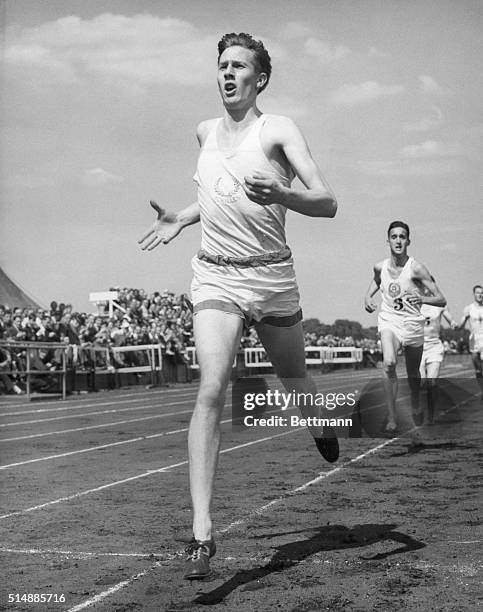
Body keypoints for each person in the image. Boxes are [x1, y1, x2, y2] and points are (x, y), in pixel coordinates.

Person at [139, 32, 338, 579]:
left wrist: (285, 194)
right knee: (212, 386)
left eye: (238, 67)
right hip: (215, 278)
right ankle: (202, 533)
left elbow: (327, 201)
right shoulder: (204, 131)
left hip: (271, 276)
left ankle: (319, 420)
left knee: (295, 379)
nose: (227, 74)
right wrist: (182, 216)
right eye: (221, 65)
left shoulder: (279, 130)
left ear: (260, 79)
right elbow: (218, 193)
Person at [364, 221, 446, 435]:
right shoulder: (380, 266)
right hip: (389, 320)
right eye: (394, 236)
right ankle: (391, 418)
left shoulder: (416, 268)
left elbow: (441, 299)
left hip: (412, 325)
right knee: (389, 363)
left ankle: (416, 403)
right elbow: (375, 280)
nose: (398, 240)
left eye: (402, 237)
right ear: (388, 240)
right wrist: (367, 296)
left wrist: (421, 297)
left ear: (408, 241)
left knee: (412, 376)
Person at [419, 287, 457, 424]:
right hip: (418, 347)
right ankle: (420, 408)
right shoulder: (414, 303)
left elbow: (449, 317)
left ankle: (430, 415)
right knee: (421, 381)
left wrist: (452, 323)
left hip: (434, 346)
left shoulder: (440, 304)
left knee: (432, 383)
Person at [458, 285, 483, 398]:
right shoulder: (469, 308)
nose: (480, 295)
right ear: (474, 294)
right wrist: (457, 325)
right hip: (474, 338)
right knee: (478, 370)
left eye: (482, 293)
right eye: (478, 293)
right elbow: (461, 324)